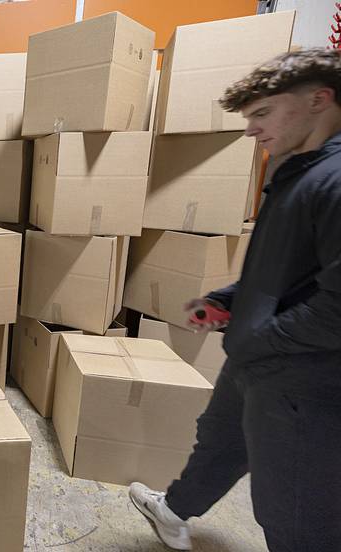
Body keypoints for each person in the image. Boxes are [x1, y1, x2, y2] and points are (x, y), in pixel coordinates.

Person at [129, 48, 341, 552]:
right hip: (258, 362)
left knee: (296, 511)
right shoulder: (298, 171)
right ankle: (174, 512)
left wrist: (259, 335)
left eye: (263, 113)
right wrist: (229, 302)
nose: (251, 131)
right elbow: (289, 271)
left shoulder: (334, 181)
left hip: (301, 384)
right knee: (220, 439)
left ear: (319, 99)